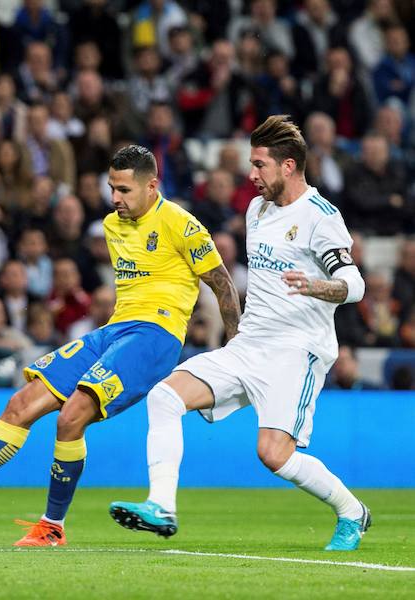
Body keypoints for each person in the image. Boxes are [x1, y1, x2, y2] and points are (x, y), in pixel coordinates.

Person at [0, 145, 240, 546]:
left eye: (124, 190)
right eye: (111, 188)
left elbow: (222, 282)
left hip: (155, 336)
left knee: (72, 416)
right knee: (21, 403)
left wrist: (236, 347)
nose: (115, 198)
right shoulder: (111, 225)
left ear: (152, 186)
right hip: (114, 331)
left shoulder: (181, 223)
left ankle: (53, 526)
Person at [110, 115, 370, 552]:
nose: (251, 175)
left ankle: (352, 512)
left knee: (273, 455)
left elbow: (356, 285)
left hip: (297, 350)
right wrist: (235, 330)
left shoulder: (320, 217)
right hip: (250, 343)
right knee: (165, 396)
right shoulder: (257, 208)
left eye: (260, 164)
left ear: (288, 166)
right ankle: (162, 507)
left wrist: (317, 285)